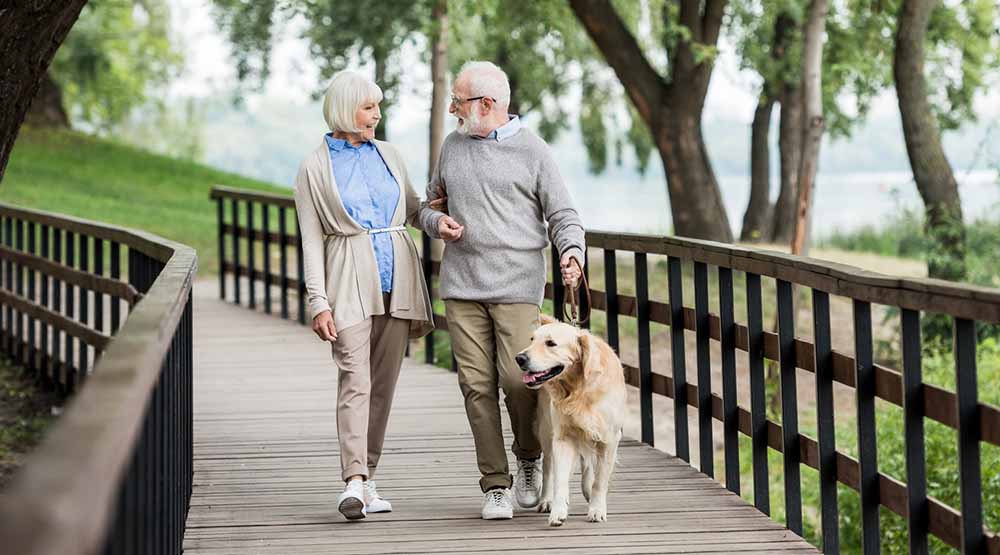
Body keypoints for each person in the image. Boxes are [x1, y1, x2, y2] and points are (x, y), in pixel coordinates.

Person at [418, 61, 585, 520]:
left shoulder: (533, 151)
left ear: (487, 105)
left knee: (519, 380)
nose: (453, 108)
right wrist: (436, 221)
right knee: (475, 385)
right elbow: (426, 202)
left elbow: (563, 213)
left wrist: (571, 252)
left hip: (517, 286)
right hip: (462, 286)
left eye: (459, 101)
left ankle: (528, 458)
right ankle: (495, 484)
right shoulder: (453, 146)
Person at [293, 70, 434, 521]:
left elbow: (414, 209)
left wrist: (438, 221)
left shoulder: (390, 154)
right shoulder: (314, 167)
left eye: (378, 107)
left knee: (383, 384)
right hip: (346, 280)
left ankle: (368, 477)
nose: (377, 115)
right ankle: (352, 481)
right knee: (355, 377)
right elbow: (311, 240)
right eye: (368, 107)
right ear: (344, 108)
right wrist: (318, 301)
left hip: (398, 279)